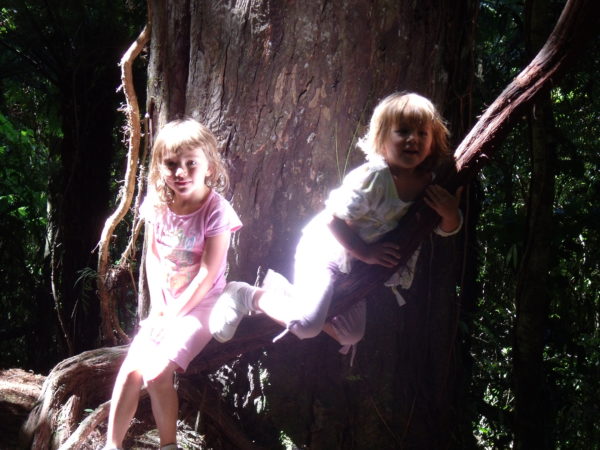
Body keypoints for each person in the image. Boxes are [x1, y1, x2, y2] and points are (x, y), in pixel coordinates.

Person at [209, 92, 463, 361]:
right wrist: (366, 253)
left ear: (433, 140)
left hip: (353, 266)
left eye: (422, 133)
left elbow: (443, 228)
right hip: (325, 253)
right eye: (403, 131)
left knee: (350, 334)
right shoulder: (375, 177)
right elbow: (333, 219)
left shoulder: (429, 183)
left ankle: (288, 297)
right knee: (307, 326)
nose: (413, 139)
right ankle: (246, 295)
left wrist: (450, 213)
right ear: (382, 138)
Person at [104, 119, 241, 450]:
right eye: (171, 164)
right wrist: (160, 308)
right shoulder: (157, 203)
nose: (181, 172)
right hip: (166, 306)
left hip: (203, 305)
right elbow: (151, 257)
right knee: (131, 371)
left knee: (156, 373)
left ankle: (169, 445)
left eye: (191, 163)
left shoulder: (216, 211)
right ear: (160, 166)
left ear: (208, 164)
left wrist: (173, 315)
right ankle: (111, 445)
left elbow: (209, 273)